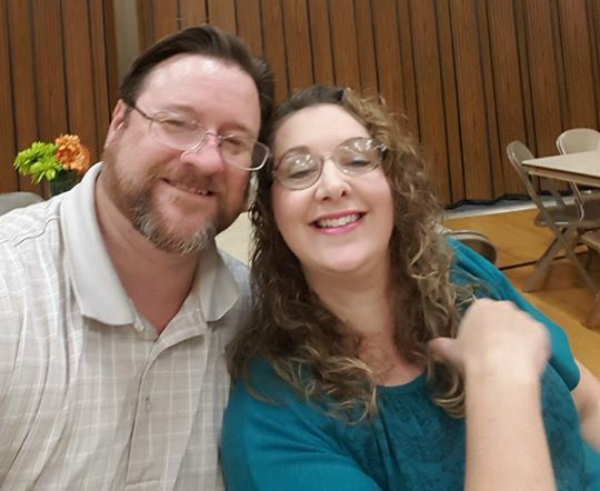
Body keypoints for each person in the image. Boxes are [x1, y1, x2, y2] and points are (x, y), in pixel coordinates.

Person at [222, 85, 600, 490]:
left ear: (392, 182)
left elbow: (588, 406)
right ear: (269, 211)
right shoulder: (272, 423)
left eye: (356, 157)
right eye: (298, 170)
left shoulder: (461, 270)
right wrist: (501, 381)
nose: (332, 185)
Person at [0, 26, 273, 489]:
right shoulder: (11, 289)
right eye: (178, 123)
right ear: (119, 123)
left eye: (234, 142)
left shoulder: (256, 318)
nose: (207, 161)